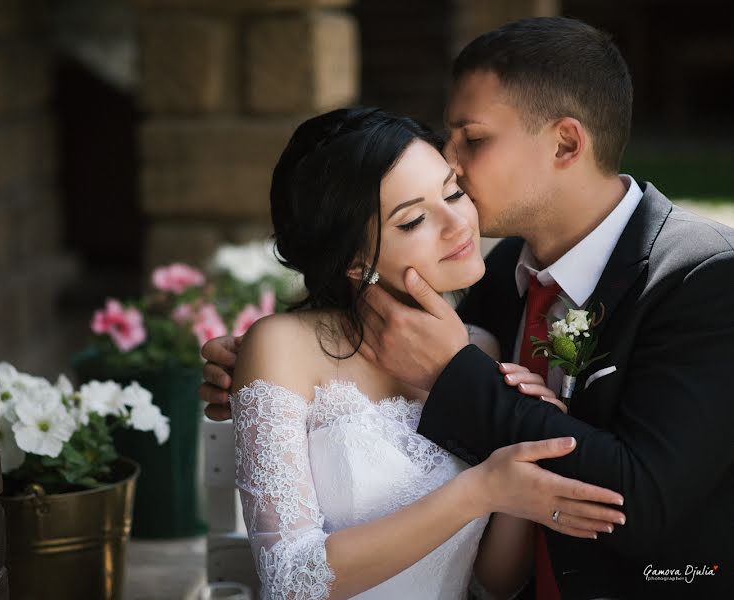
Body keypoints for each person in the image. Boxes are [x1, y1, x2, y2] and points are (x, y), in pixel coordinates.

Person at [202, 17, 734, 600]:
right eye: (416, 211)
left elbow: (641, 498)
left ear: (565, 143)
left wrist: (461, 383)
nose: (451, 162)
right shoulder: (499, 279)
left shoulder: (702, 276)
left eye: (472, 139)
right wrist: (263, 373)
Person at [225, 106, 624, 600]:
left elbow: (490, 582)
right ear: (353, 260)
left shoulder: (479, 349)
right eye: (413, 220)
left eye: (453, 192)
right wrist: (478, 491)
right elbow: (290, 579)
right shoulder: (281, 346)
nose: (458, 223)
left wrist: (525, 451)